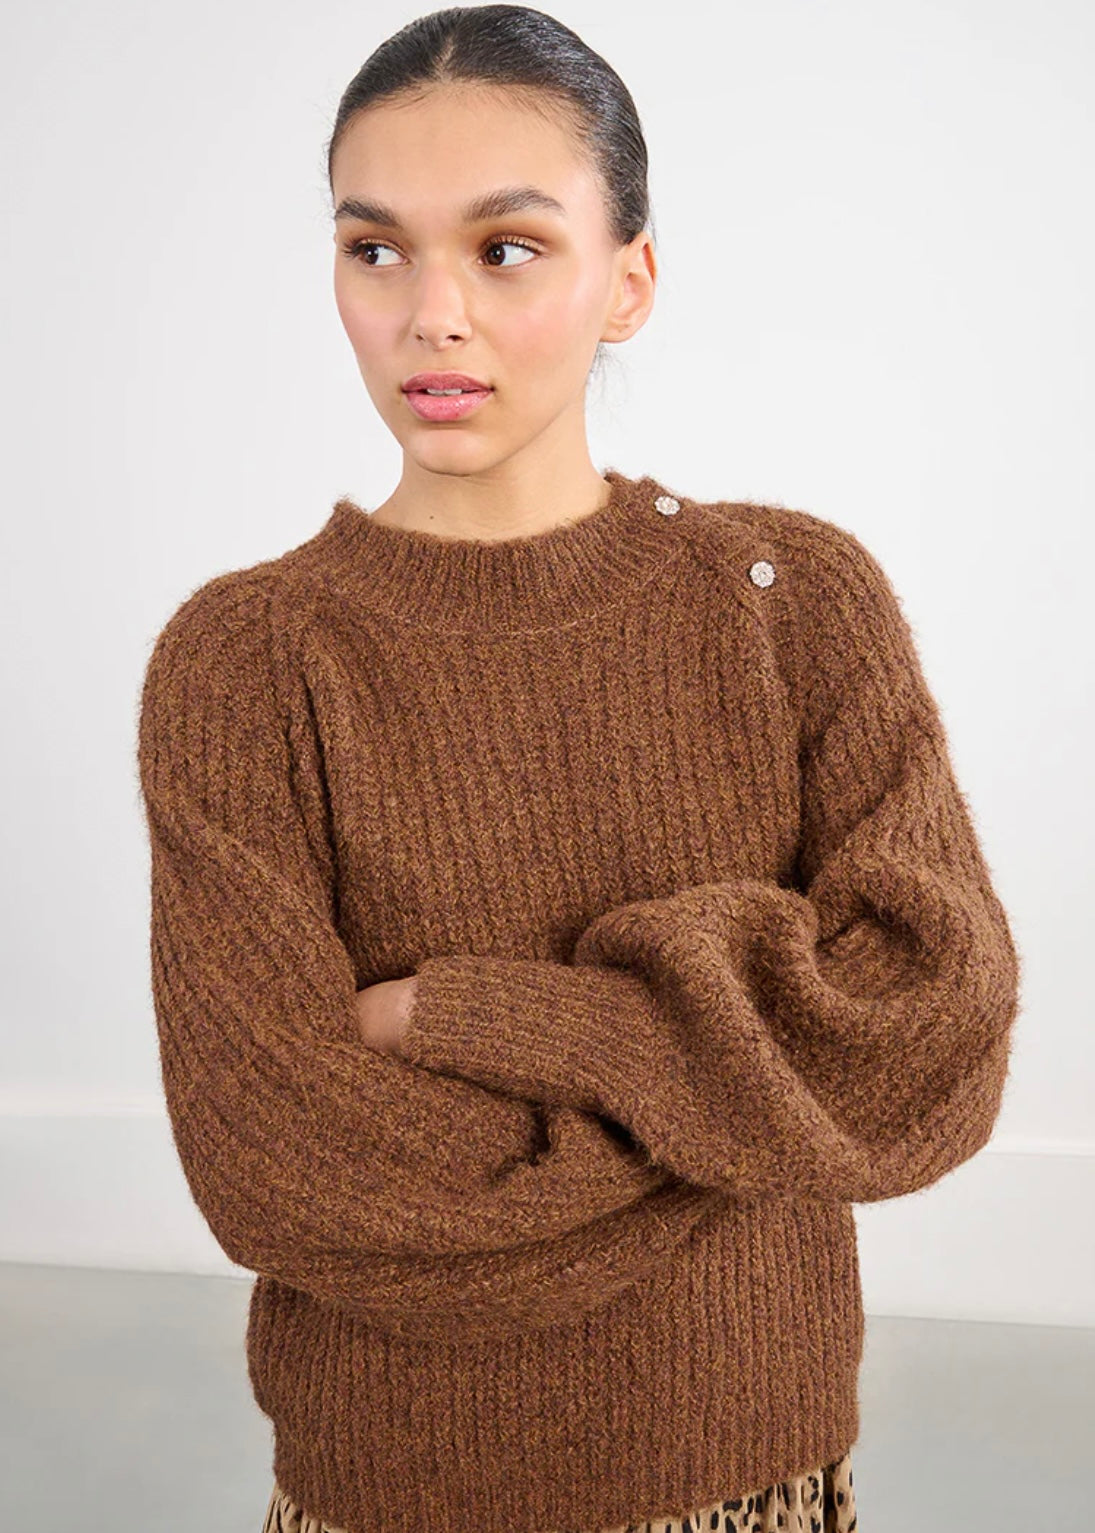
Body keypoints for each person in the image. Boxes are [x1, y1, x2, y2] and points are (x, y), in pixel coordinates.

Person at [136, 7, 1021, 1533]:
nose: (433, 315)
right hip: (393, 1482)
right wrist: (732, 1111)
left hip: (745, 1461)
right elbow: (276, 1161)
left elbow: (926, 1033)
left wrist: (477, 1016)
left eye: (507, 249)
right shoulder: (247, 661)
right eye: (375, 249)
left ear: (630, 281)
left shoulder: (792, 603)